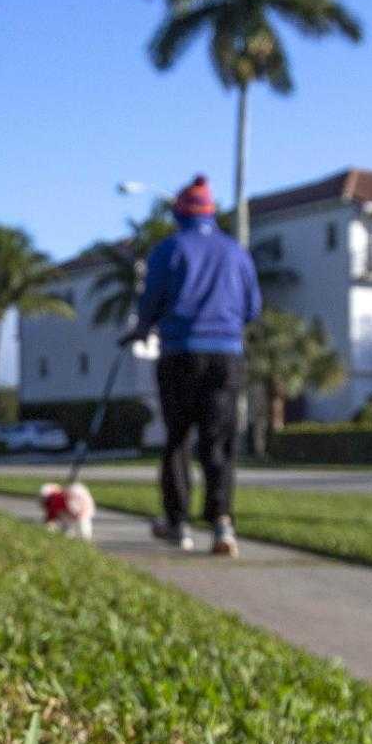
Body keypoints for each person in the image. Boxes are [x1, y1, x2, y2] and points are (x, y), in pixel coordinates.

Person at [122, 175, 260, 556]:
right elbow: (252, 308)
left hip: (180, 354)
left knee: (178, 439)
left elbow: (150, 302)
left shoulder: (168, 251)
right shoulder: (236, 252)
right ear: (212, 214)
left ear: (180, 214)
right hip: (226, 356)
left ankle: (178, 523)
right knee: (219, 443)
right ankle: (221, 524)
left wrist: (142, 330)